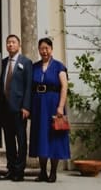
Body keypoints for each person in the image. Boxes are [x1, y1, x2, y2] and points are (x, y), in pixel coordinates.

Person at [29, 37, 70, 183]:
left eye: (47, 48)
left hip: (53, 104)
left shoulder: (59, 66)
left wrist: (60, 106)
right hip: (38, 105)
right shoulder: (34, 66)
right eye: (42, 48)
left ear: (51, 49)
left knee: (54, 138)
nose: (44, 51)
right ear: (39, 50)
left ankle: (53, 172)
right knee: (40, 136)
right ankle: (42, 172)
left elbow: (64, 87)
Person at [0, 34, 33, 182]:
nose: (10, 45)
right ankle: (11, 169)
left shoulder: (26, 62)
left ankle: (19, 171)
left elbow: (28, 86)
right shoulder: (3, 62)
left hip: (19, 109)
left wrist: (26, 106)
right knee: (9, 141)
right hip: (5, 108)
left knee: (21, 140)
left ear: (19, 45)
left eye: (13, 42)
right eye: (8, 43)